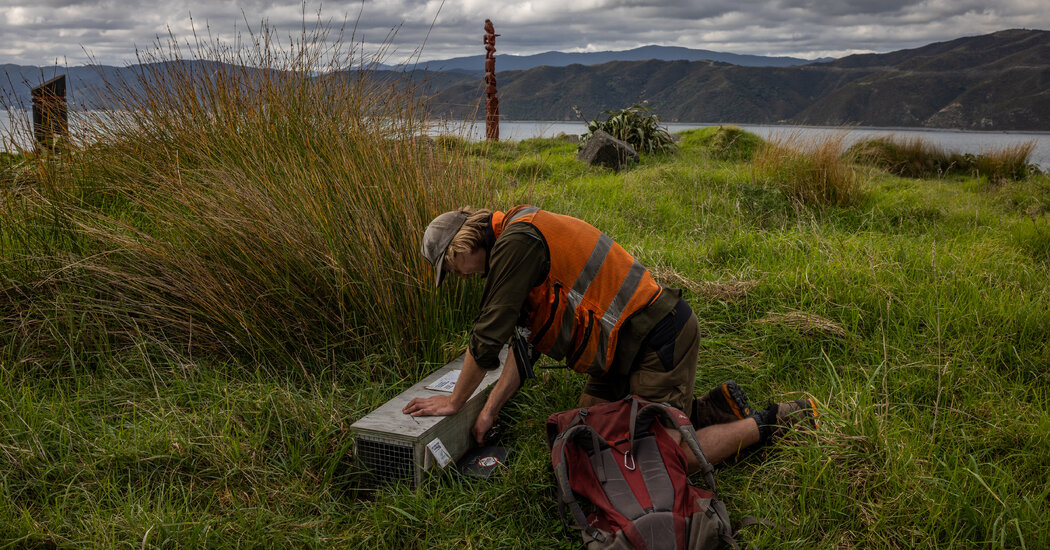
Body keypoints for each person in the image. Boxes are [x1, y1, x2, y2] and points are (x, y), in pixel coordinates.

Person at [403, 205, 816, 467]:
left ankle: (776, 420)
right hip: (614, 353)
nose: (462, 275)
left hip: (657, 337)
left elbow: (487, 337)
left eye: (454, 267)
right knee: (581, 444)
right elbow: (522, 342)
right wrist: (490, 410)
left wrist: (456, 401)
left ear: (462, 245)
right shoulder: (515, 243)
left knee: (663, 456)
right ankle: (710, 409)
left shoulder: (517, 242)